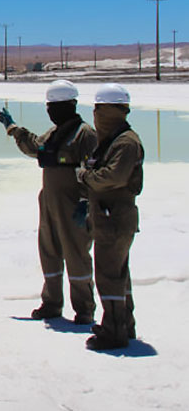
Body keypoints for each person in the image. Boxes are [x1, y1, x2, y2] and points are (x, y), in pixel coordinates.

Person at [0, 80, 98, 324]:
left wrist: (86, 200)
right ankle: (51, 303)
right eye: (50, 106)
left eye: (57, 105)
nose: (52, 110)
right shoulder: (54, 133)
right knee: (49, 250)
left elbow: (92, 169)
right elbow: (36, 147)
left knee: (76, 253)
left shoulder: (86, 134)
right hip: (50, 200)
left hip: (74, 203)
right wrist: (13, 128)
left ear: (72, 105)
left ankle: (84, 308)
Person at [77, 83, 144, 351]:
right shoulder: (114, 140)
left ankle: (114, 332)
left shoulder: (126, 142)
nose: (95, 115)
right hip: (107, 214)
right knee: (117, 273)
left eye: (99, 110)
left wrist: (85, 177)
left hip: (115, 217)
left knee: (109, 274)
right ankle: (123, 324)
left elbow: (113, 177)